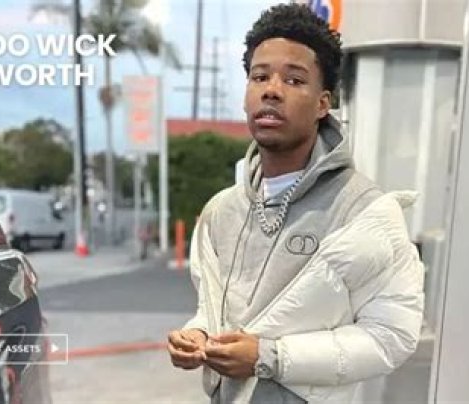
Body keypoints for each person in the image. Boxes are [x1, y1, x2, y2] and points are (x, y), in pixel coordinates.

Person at [167, 4, 424, 403]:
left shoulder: (365, 213)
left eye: (294, 79)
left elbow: (391, 335)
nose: (271, 89)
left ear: (323, 103)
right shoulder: (221, 211)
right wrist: (198, 334)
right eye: (260, 76)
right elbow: (216, 308)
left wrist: (271, 356)